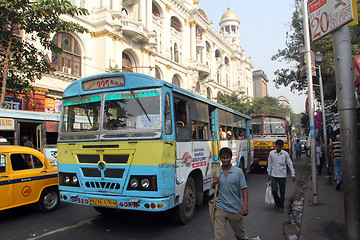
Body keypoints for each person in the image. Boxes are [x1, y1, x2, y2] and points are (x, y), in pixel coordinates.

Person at [212, 147, 248, 240]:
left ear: (231, 158)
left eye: (227, 157)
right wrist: (214, 183)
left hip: (235, 209)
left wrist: (245, 205)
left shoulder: (238, 172)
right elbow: (213, 188)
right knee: (219, 237)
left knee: (240, 236)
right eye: (223, 158)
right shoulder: (217, 172)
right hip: (220, 208)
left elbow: (244, 189)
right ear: (220, 158)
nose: (225, 160)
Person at [267, 139, 296, 213]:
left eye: (280, 147)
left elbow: (290, 164)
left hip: (282, 175)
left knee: (282, 192)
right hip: (274, 174)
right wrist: (269, 173)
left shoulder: (285, 154)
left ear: (282, 147)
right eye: (277, 147)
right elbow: (269, 163)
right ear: (275, 146)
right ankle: (277, 202)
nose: (278, 148)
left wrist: (293, 174)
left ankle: (281, 206)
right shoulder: (271, 154)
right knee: (274, 190)